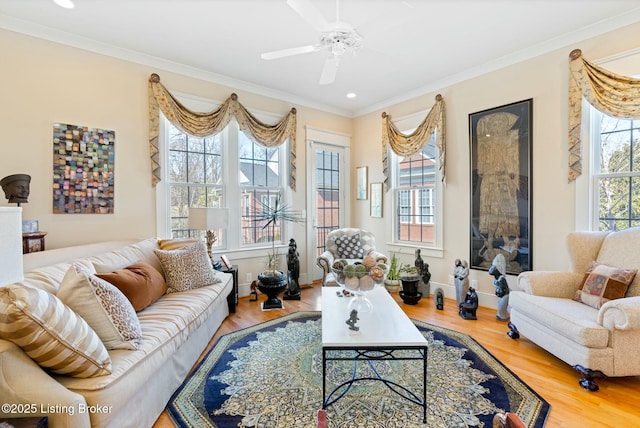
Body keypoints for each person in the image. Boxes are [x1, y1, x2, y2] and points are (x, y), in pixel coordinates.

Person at [488, 253, 510, 321]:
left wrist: (499, 292)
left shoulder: (502, 279)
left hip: (503, 296)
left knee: (501, 308)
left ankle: (503, 316)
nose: (491, 269)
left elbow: (504, 289)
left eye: (493, 267)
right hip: (501, 296)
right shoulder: (497, 278)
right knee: (500, 307)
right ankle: (500, 315)